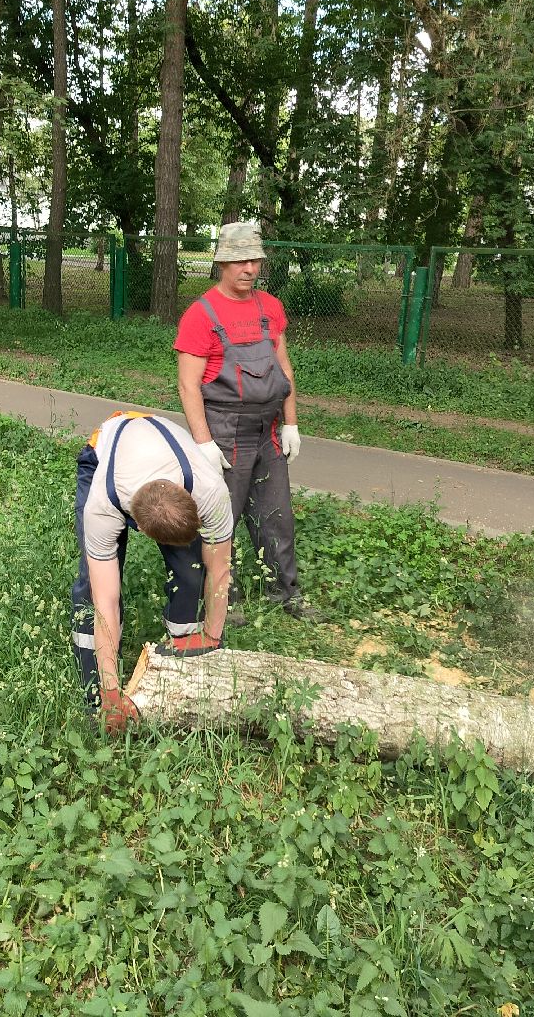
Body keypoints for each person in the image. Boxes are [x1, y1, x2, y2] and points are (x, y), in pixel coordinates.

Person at [173, 221, 317, 622]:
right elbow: (188, 386)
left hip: (268, 431)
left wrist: (291, 423)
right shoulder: (200, 315)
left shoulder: (270, 307)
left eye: (254, 259)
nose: (248, 268)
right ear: (222, 262)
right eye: (240, 260)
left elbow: (283, 367)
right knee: (221, 517)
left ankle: (284, 593)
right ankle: (222, 599)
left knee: (277, 516)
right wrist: (203, 443)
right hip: (225, 431)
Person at [71, 411, 233, 732]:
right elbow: (106, 602)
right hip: (102, 455)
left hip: (160, 453)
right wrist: (111, 691)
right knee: (92, 588)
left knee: (191, 571)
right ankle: (97, 697)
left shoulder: (211, 491)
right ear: (140, 529)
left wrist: (212, 635)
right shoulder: (102, 506)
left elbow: (219, 569)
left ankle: (187, 667)